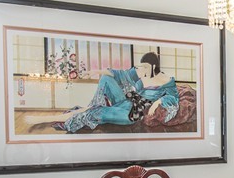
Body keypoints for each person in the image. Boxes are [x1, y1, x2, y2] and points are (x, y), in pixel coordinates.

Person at [47, 52, 179, 132]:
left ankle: (53, 119)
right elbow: (118, 73)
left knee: (95, 112)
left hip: (133, 112)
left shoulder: (167, 82)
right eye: (142, 66)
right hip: (125, 100)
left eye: (145, 67)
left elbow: (173, 98)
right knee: (106, 78)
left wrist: (159, 101)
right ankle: (95, 105)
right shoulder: (140, 71)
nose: (142, 69)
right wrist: (95, 72)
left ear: (154, 67)